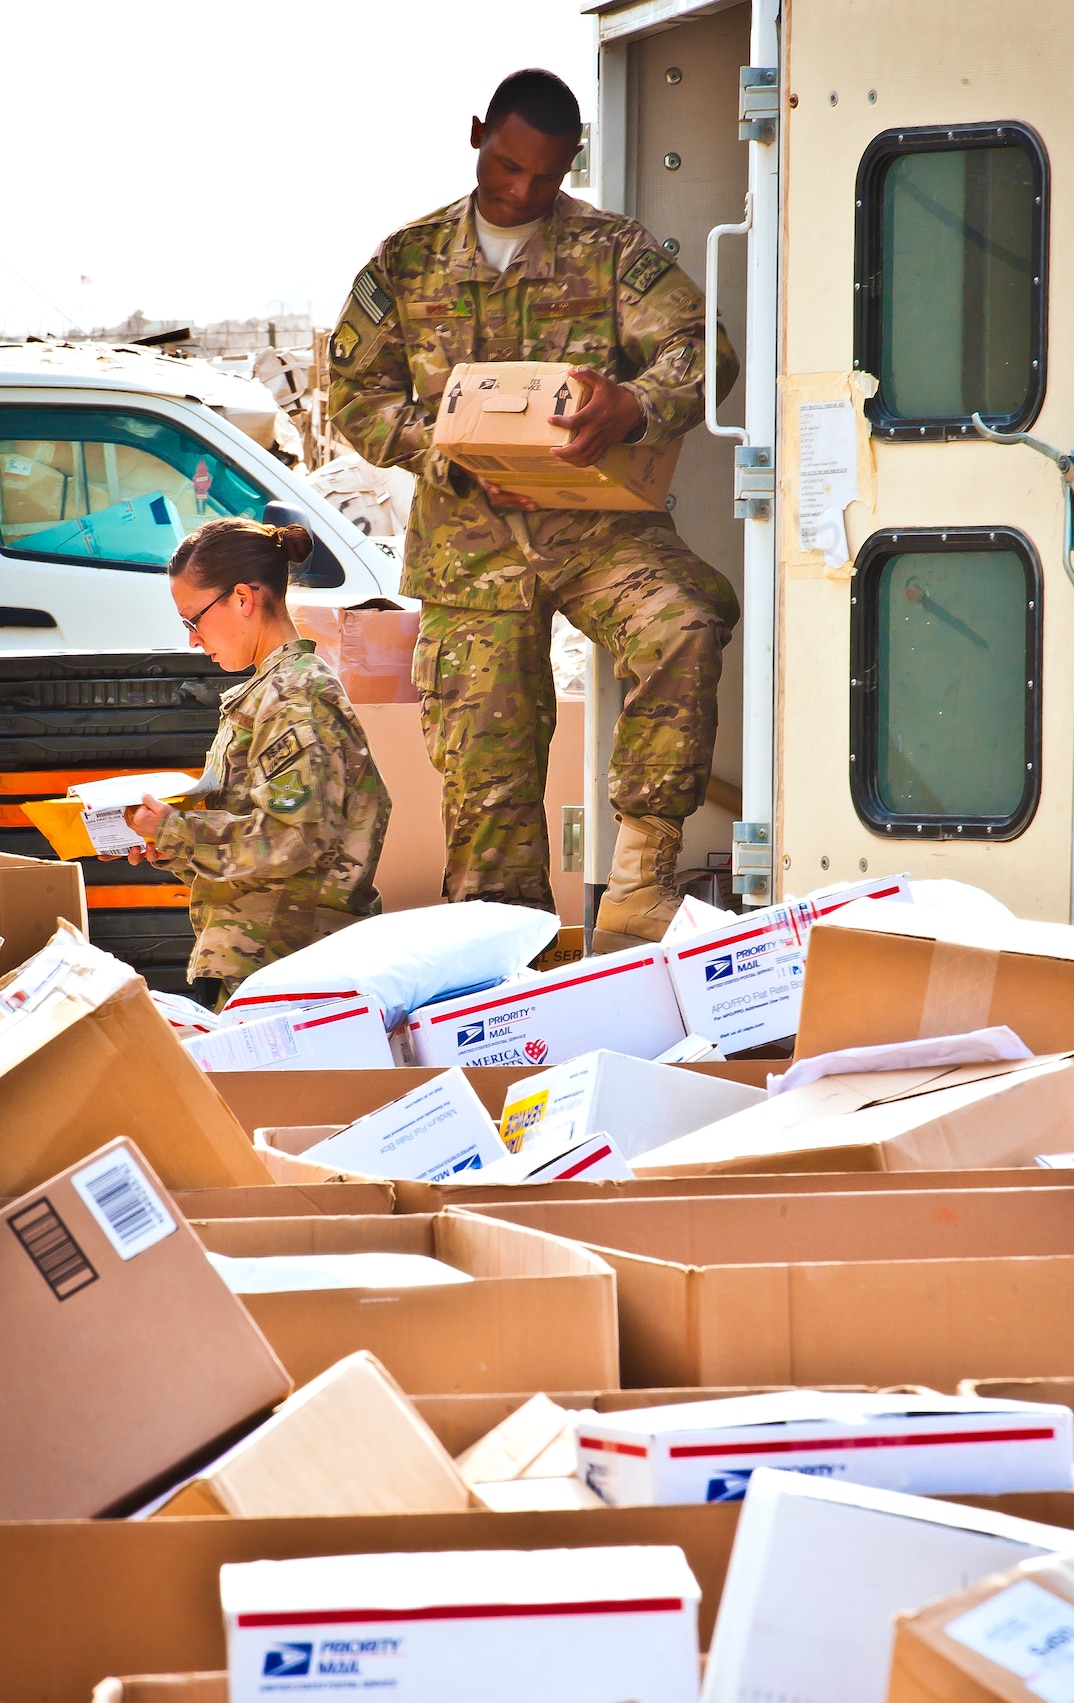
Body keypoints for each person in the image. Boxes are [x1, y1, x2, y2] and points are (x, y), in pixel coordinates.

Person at [328, 65, 740, 944]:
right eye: (507, 167)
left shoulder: (613, 249)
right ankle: (501, 950)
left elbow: (702, 350)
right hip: (470, 547)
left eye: (546, 176)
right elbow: (356, 398)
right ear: (478, 135)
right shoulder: (406, 260)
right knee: (487, 764)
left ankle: (638, 885)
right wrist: (446, 456)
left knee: (689, 617)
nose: (522, 191)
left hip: (598, 528)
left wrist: (635, 405)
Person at [126, 517, 392, 1008]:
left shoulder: (294, 698)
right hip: (265, 966)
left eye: (193, 619)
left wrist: (177, 832)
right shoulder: (271, 694)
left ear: (243, 599)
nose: (192, 639)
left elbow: (294, 840)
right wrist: (174, 844)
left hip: (287, 975)